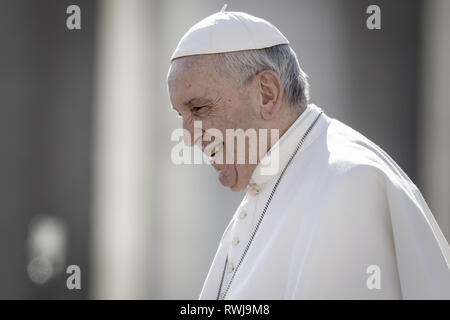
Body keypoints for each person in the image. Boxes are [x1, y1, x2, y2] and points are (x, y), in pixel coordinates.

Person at [167, 9, 450, 299]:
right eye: (181, 115)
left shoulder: (350, 183)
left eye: (199, 109)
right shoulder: (272, 182)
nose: (188, 137)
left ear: (266, 93)